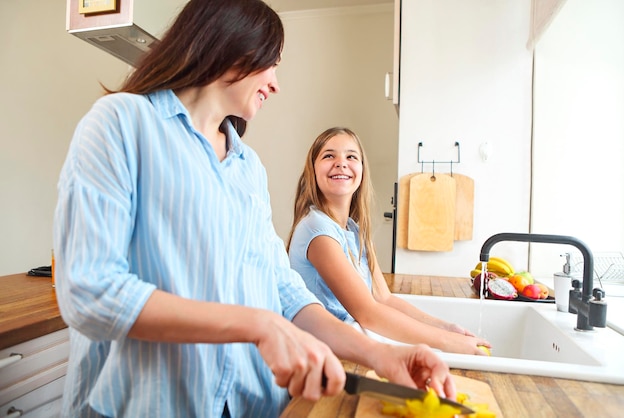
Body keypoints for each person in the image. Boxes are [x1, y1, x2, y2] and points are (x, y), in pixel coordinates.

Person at [53, 1, 458, 417]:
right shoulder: (121, 123)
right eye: (271, 64)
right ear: (231, 45)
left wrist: (381, 356)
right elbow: (90, 290)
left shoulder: (248, 168)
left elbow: (285, 292)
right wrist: (256, 325)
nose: (275, 84)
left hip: (251, 404)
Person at [287, 127, 492, 355]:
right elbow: (367, 313)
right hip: (322, 353)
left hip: (346, 343)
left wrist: (447, 328)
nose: (341, 163)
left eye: (351, 156)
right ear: (312, 170)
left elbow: (384, 298)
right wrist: (447, 342)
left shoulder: (355, 230)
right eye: (328, 155)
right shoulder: (317, 230)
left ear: (362, 170)